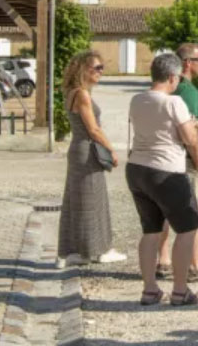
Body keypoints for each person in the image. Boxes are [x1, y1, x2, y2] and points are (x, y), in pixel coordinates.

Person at [126, 53, 198, 306]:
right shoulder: (174, 102)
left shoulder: (137, 100)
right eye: (177, 78)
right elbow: (189, 138)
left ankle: (150, 289)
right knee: (187, 228)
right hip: (167, 169)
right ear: (172, 77)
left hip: (137, 167)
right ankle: (180, 290)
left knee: (151, 230)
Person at [155, 43, 198, 282]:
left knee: (165, 212)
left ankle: (163, 261)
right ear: (188, 63)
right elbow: (189, 128)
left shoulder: (173, 89)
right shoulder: (189, 92)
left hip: (169, 157)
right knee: (192, 213)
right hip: (188, 158)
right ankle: (195, 265)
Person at [57, 51, 127, 268]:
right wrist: (111, 150)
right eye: (97, 68)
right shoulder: (82, 95)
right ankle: (99, 250)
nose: (101, 72)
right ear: (83, 69)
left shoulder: (72, 92)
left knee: (77, 201)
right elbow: (94, 129)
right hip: (87, 150)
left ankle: (76, 250)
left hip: (78, 149)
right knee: (92, 201)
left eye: (102, 68)